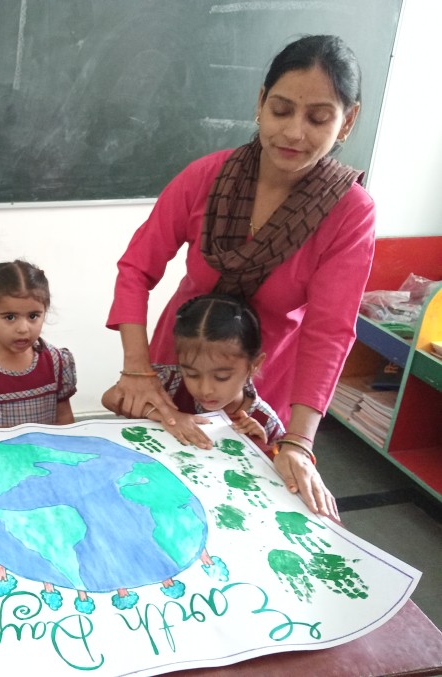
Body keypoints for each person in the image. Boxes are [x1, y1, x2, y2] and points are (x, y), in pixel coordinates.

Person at [103, 34, 375, 519]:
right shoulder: (206, 177)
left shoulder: (349, 212)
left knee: (235, 507)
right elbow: (136, 268)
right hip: (180, 361)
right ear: (260, 102)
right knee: (150, 497)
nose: (293, 132)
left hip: (262, 382)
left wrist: (299, 442)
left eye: (318, 118)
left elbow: (329, 331)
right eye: (281, 110)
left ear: (348, 121)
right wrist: (139, 370)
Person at [108, 294, 286, 451]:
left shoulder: (265, 421)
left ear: (254, 365)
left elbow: (281, 461)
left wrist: (262, 447)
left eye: (221, 377)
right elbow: (111, 398)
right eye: (192, 374)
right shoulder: (169, 381)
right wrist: (168, 415)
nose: (205, 389)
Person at [0, 260, 77, 426]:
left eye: (33, 316)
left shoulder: (57, 362)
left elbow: (64, 419)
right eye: (10, 317)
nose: (23, 329)